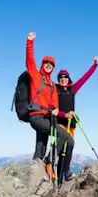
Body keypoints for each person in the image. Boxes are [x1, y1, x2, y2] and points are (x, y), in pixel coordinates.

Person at [24, 32, 73, 178]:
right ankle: (49, 161)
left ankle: (35, 175)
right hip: (36, 117)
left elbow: (54, 106)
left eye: (51, 64)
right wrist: (30, 42)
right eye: (46, 63)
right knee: (65, 136)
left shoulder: (52, 85)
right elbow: (29, 61)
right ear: (42, 64)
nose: (48, 65)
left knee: (41, 146)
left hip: (46, 118)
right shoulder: (36, 76)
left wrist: (63, 113)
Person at [53, 56, 98, 184]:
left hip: (71, 124)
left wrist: (94, 65)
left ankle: (64, 172)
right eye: (61, 77)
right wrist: (63, 114)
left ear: (68, 78)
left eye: (65, 77)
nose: (63, 79)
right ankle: (60, 175)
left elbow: (85, 78)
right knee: (63, 148)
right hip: (60, 123)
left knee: (69, 148)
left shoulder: (73, 88)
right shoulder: (55, 89)